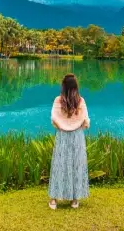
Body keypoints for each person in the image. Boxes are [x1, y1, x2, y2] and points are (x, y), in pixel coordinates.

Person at [48, 73, 90, 210]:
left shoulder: (57, 100)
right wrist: (77, 124)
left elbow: (54, 119)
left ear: (63, 86)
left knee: (59, 164)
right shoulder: (81, 101)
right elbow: (85, 121)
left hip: (62, 136)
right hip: (77, 135)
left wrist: (63, 125)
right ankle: (75, 200)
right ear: (76, 86)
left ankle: (54, 200)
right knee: (76, 165)